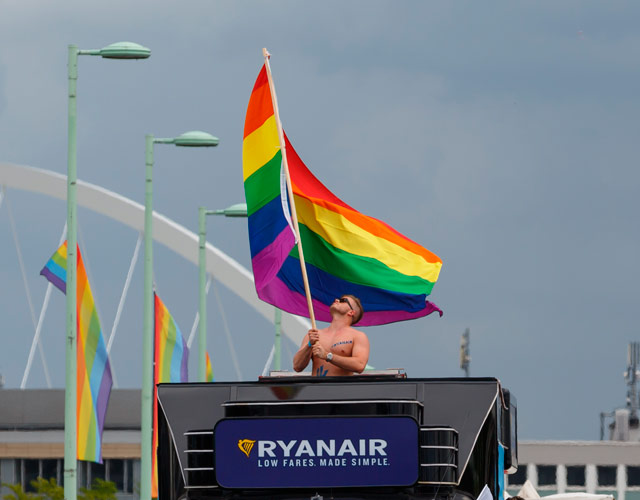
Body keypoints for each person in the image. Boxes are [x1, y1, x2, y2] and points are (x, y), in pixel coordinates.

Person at [293, 295, 370, 376]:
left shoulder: (358, 336)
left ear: (351, 312)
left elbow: (359, 365)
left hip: (339, 384)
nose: (336, 300)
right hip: (317, 384)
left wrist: (327, 356)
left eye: (343, 300)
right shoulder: (314, 335)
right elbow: (297, 366)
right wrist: (309, 345)